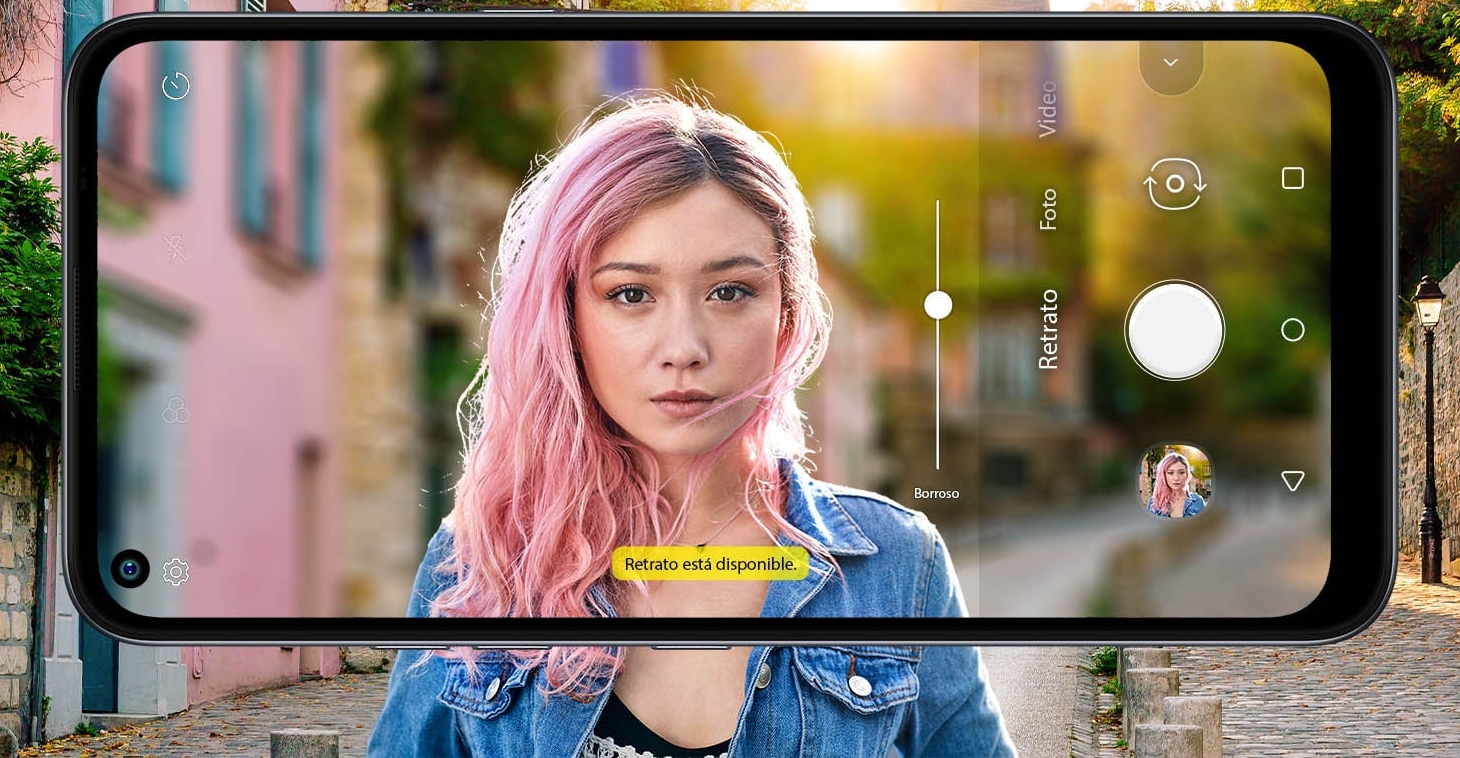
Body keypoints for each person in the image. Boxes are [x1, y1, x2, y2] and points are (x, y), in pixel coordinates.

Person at [368, 93, 1015, 757]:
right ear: (567, 320)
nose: (684, 346)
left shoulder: (898, 565)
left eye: (730, 291)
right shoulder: (480, 564)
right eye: (630, 293)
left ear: (785, 315)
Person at [1147, 451, 1206, 519]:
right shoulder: (1153, 503)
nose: (1176, 478)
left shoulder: (1198, 501)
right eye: (1170, 473)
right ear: (1163, 475)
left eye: (1181, 472)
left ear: (1187, 475)